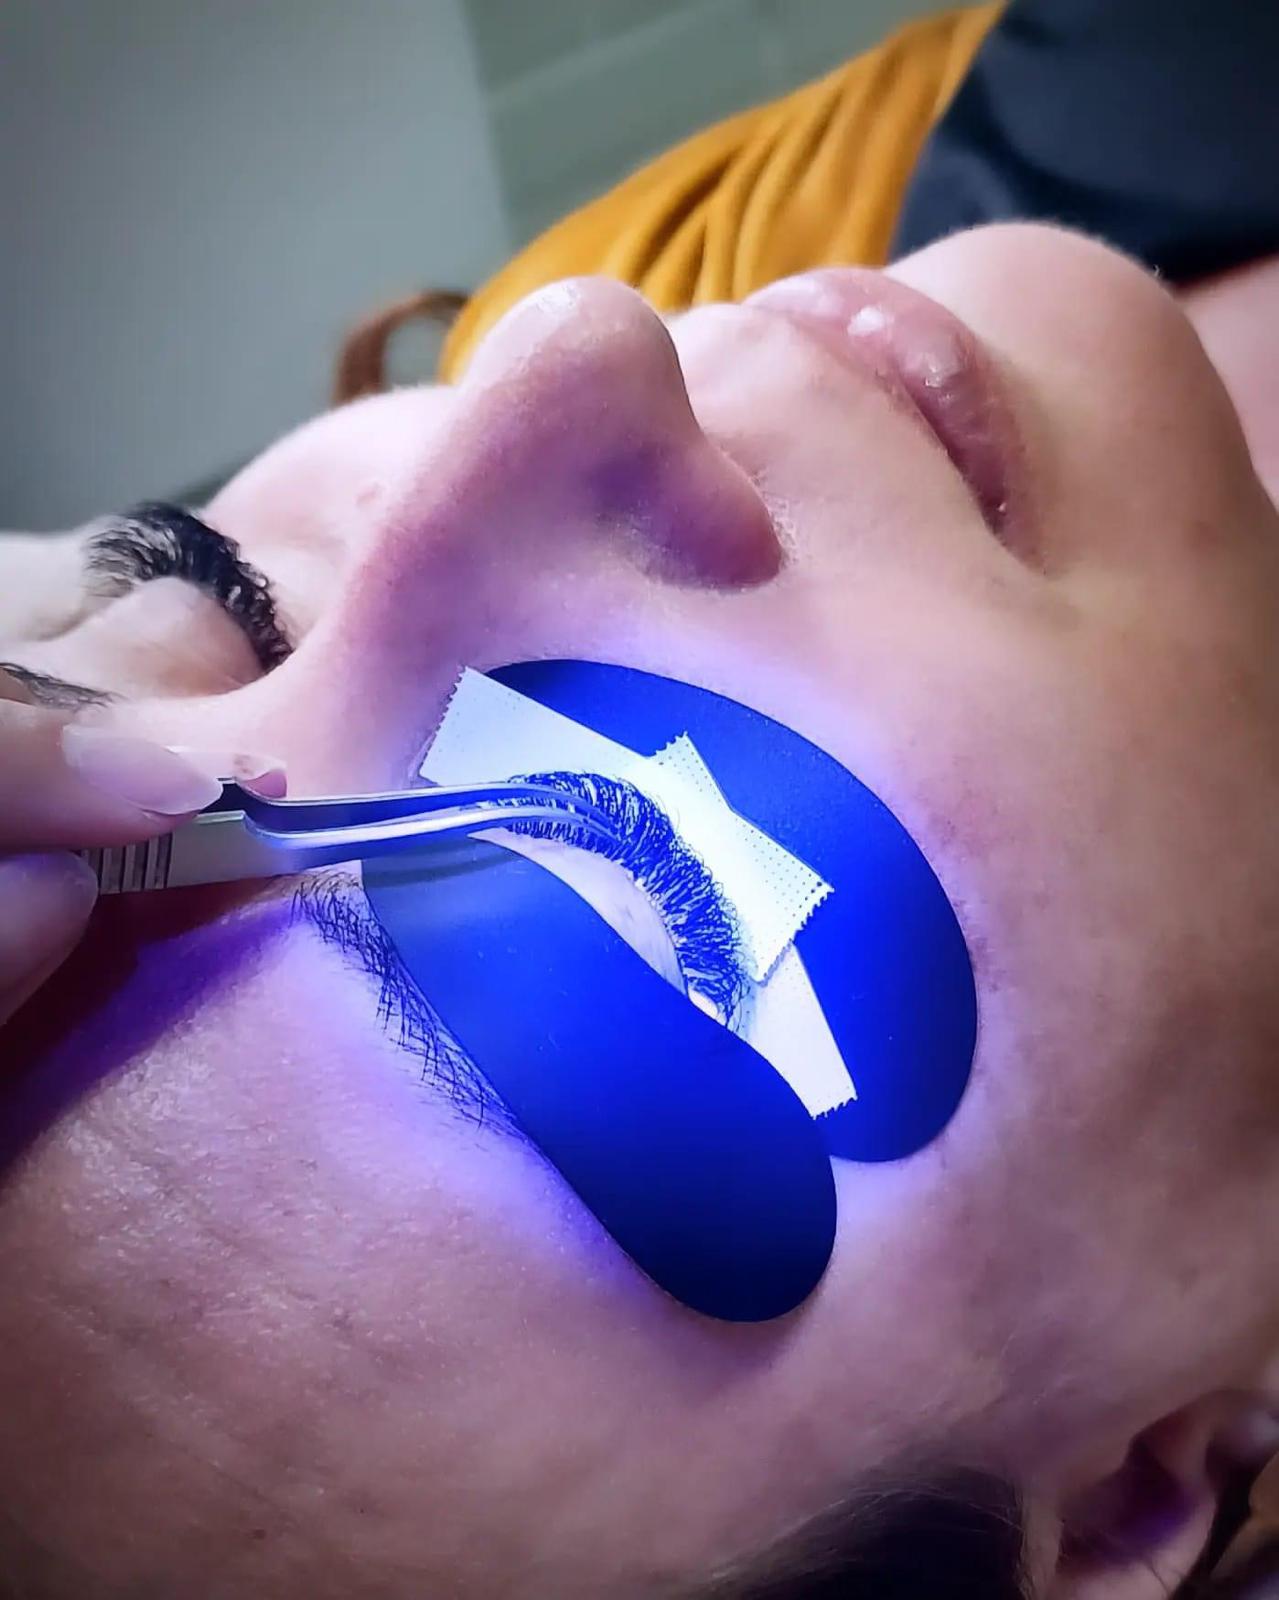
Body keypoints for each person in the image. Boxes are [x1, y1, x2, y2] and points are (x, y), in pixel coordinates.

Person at [4, 14, 1279, 1600]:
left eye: (230, 598)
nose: (571, 352)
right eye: (645, 854)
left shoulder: (729, 245)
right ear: (1119, 1512)